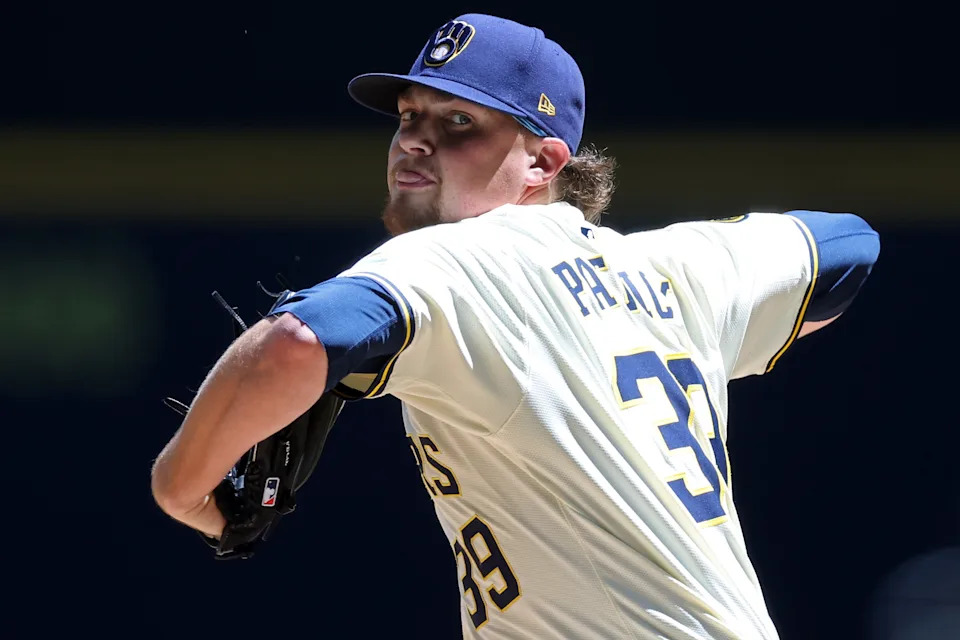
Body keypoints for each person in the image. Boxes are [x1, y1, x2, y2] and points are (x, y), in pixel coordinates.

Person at [151, 13, 880, 639]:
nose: (414, 141)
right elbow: (849, 246)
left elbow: (297, 340)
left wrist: (180, 490)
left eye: (459, 122)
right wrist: (655, 324)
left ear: (543, 161)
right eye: (409, 117)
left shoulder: (459, 260)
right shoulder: (673, 269)